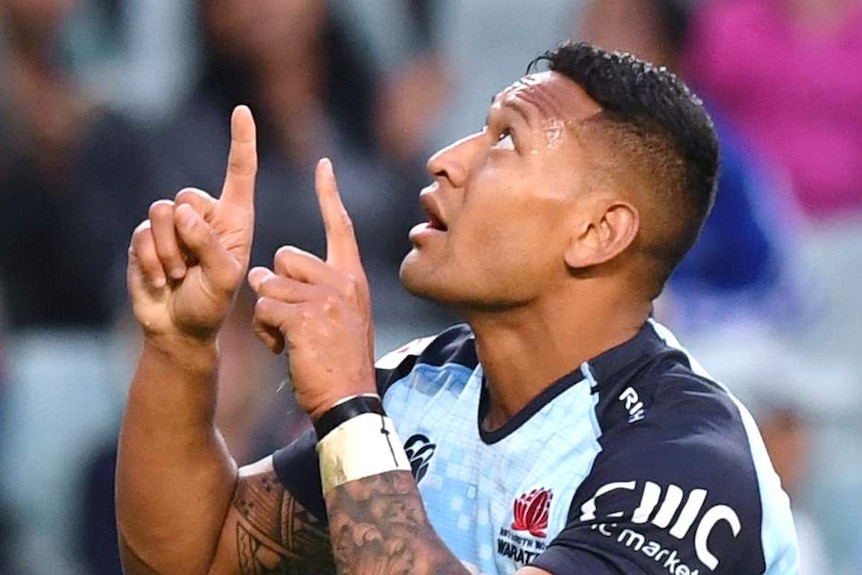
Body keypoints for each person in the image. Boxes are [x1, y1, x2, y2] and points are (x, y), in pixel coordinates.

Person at [116, 42, 799, 575]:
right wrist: (179, 346)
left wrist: (349, 408)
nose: (446, 159)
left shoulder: (687, 459)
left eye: (507, 139)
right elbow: (191, 558)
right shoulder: (422, 390)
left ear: (597, 233)